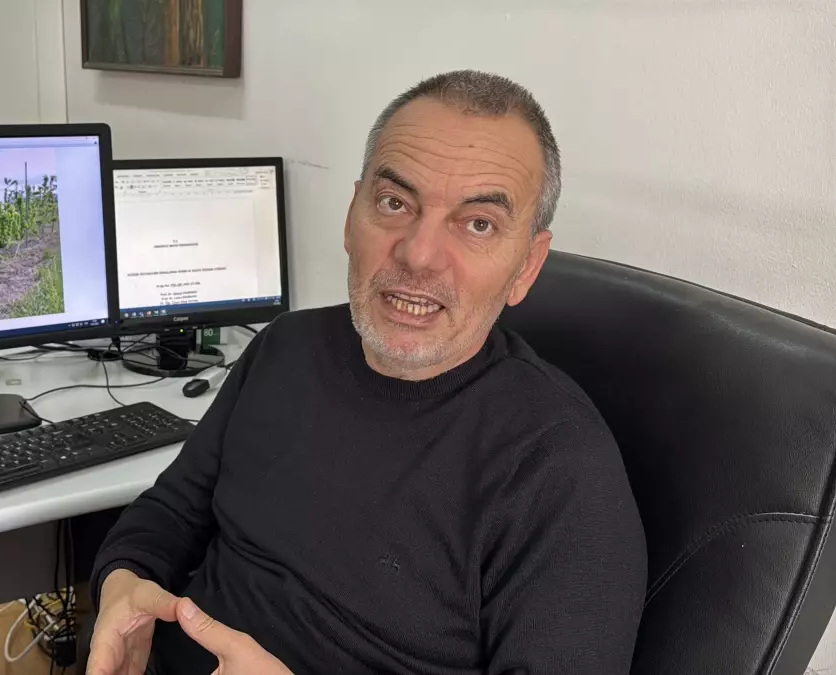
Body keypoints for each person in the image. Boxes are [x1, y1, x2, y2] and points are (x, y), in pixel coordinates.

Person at [86, 71, 647, 675]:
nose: (418, 255)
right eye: (395, 203)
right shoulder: (285, 347)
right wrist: (123, 581)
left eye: (478, 223)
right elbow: (172, 510)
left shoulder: (558, 465)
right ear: (352, 214)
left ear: (527, 266)